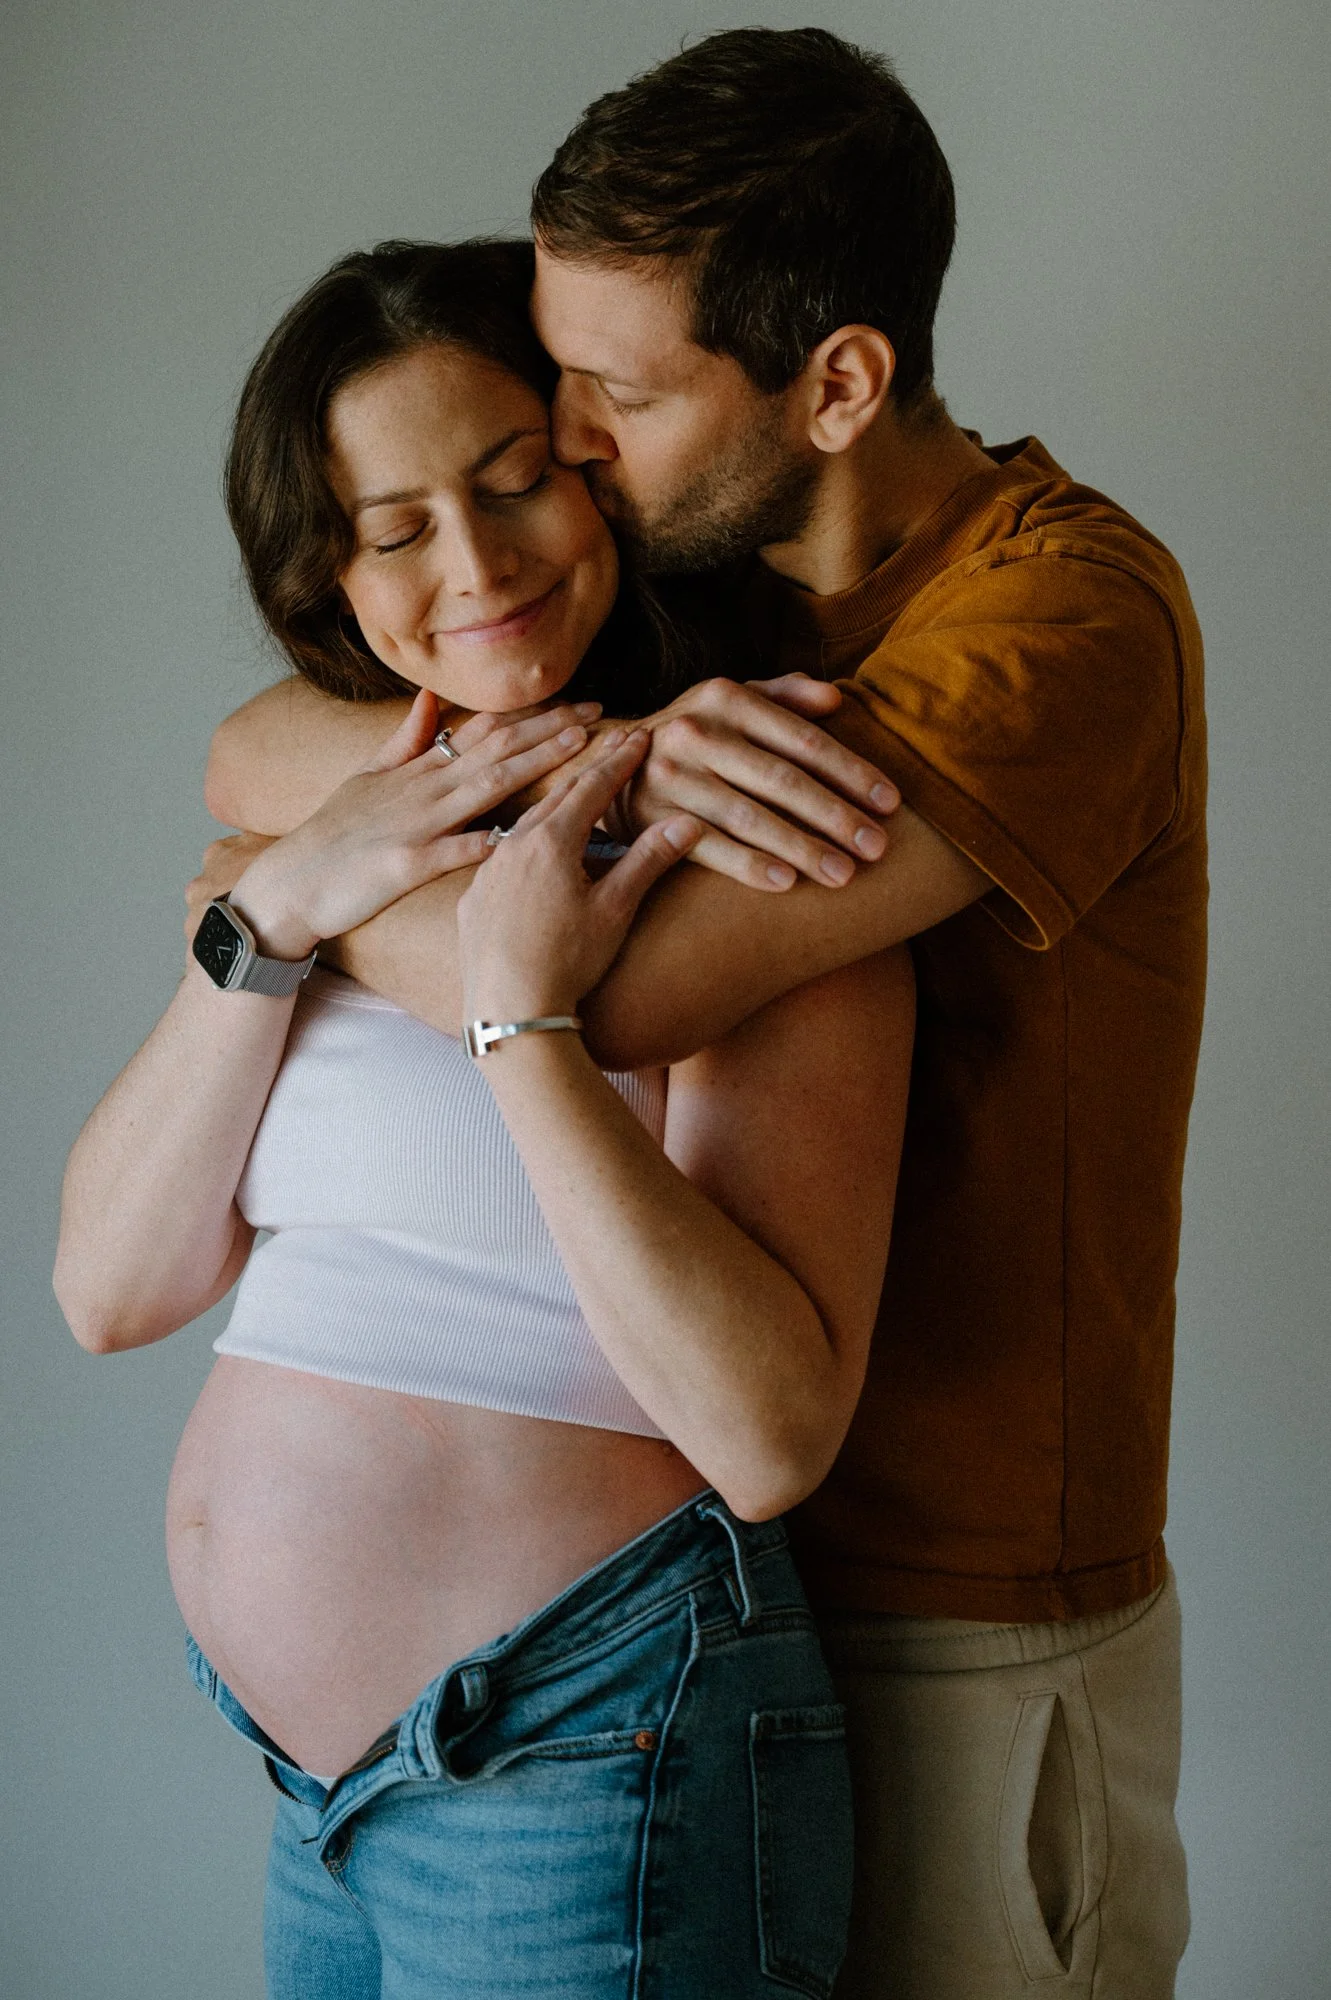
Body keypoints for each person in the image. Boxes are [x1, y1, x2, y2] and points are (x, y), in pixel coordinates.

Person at [202, 28, 1208, 2000]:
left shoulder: (1056, 622)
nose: (567, 440)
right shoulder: (725, 620)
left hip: (963, 1609)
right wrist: (294, 847)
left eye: (616, 394)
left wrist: (291, 898)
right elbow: (248, 738)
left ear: (834, 382)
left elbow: (622, 989)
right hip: (704, 1608)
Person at [54, 238, 916, 1999]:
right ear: (329, 576)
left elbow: (766, 1438)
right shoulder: (328, 845)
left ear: (600, 461)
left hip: (587, 1758)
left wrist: (524, 1013)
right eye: (392, 530)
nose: (475, 564)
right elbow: (110, 1293)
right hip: (316, 1794)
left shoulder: (755, 858)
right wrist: (279, 907)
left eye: (516, 480)